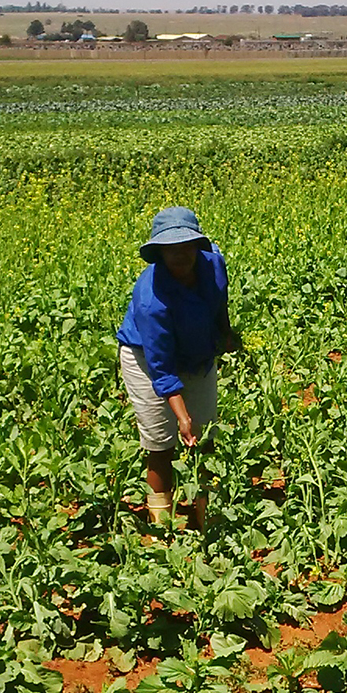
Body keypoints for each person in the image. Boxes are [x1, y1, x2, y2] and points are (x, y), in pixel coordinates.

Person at [116, 207, 241, 526]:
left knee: (206, 438)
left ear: (197, 245)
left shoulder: (213, 263)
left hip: (197, 353)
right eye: (171, 249)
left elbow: (219, 298)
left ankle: (206, 521)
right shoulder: (151, 299)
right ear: (159, 252)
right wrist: (182, 417)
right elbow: (161, 367)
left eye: (186, 246)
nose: (180, 255)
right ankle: (162, 530)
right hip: (146, 358)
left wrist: (225, 332)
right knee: (161, 442)